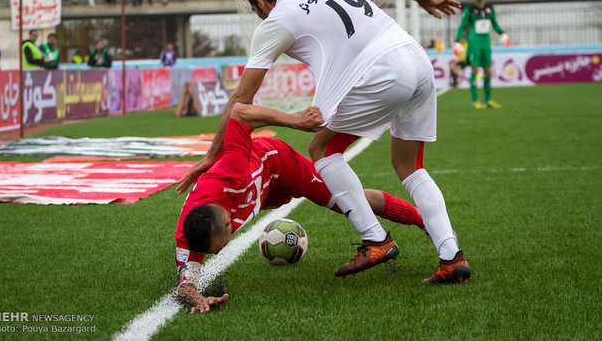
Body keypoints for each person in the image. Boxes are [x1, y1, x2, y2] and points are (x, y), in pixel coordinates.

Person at [177, 0, 470, 283]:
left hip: (377, 73)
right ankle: (451, 259)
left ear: (260, 3)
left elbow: (241, 99)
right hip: (415, 59)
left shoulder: (275, 21)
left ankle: (375, 240)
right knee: (410, 167)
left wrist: (211, 155)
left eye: (255, 9)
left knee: (322, 149)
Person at [176, 103, 427, 313]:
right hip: (263, 194)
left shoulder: (232, 172)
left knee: (350, 201)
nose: (219, 253)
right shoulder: (192, 232)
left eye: (220, 246)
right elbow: (185, 285)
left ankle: (422, 219)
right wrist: (200, 299)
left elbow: (240, 112)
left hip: (281, 165)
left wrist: (297, 121)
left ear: (228, 222)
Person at [455, 0, 509, 109]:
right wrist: (457, 40)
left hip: (486, 43)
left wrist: (503, 33)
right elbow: (462, 26)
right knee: (475, 70)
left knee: (488, 71)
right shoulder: (470, 9)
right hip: (474, 43)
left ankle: (488, 100)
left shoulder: (490, 8)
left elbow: (494, 23)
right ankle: (475, 101)